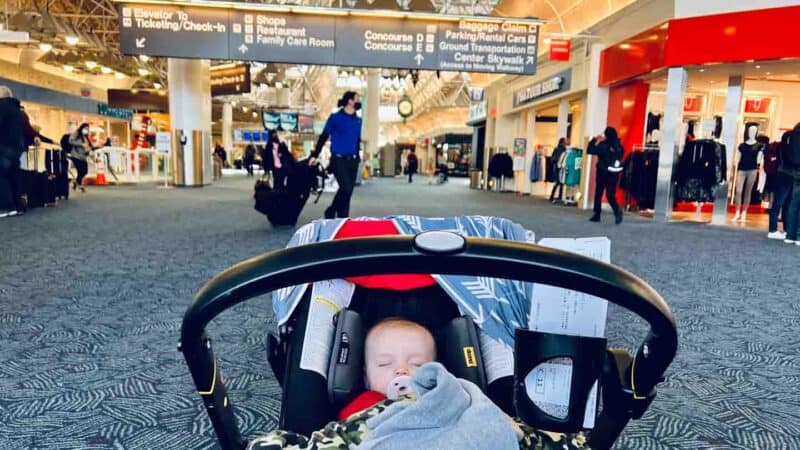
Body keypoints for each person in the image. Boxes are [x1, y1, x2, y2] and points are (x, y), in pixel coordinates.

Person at [247, 317, 588, 450]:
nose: (401, 372)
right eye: (385, 363)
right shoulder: (358, 407)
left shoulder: (457, 395)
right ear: (364, 376)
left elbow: (502, 426)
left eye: (417, 364)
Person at [310, 91, 363, 219]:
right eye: (357, 99)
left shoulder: (358, 120)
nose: (359, 101)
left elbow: (356, 140)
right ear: (350, 101)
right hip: (338, 159)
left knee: (348, 192)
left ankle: (343, 218)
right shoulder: (335, 118)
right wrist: (315, 154)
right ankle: (331, 210)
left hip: (353, 161)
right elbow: (324, 136)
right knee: (345, 188)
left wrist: (358, 157)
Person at [0, 86, 29, 217]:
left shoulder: (2, 107)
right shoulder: (19, 112)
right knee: (14, 177)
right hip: (17, 149)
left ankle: (7, 206)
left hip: (3, 147)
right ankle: (19, 206)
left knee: (3, 177)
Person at [588, 127, 624, 224]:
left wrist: (595, 139)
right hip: (614, 174)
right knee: (610, 195)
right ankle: (617, 211)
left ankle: (597, 215)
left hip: (602, 173)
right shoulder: (619, 146)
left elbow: (590, 150)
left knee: (598, 193)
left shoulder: (604, 146)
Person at [767, 131, 794, 240]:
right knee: (781, 204)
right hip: (785, 176)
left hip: (782, 176)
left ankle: (780, 229)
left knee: (782, 203)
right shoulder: (785, 148)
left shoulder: (780, 147)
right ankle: (774, 229)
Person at [782, 123, 800, 246]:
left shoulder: (789, 135)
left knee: (793, 204)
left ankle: (790, 235)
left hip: (794, 172)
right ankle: (798, 236)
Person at [68, 123, 93, 192]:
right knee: (80, 170)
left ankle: (75, 182)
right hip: (76, 155)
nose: (86, 130)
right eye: (85, 128)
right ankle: (80, 185)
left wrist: (90, 149)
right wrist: (81, 144)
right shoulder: (77, 133)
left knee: (85, 171)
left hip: (83, 156)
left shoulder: (85, 136)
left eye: (87, 129)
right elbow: (70, 140)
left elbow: (88, 146)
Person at [550, 137, 568, 203]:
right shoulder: (563, 150)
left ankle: (552, 196)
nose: (567, 141)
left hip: (557, 166)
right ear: (563, 142)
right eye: (566, 140)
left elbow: (553, 158)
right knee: (560, 181)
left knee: (558, 182)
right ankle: (558, 196)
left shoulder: (557, 148)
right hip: (561, 166)